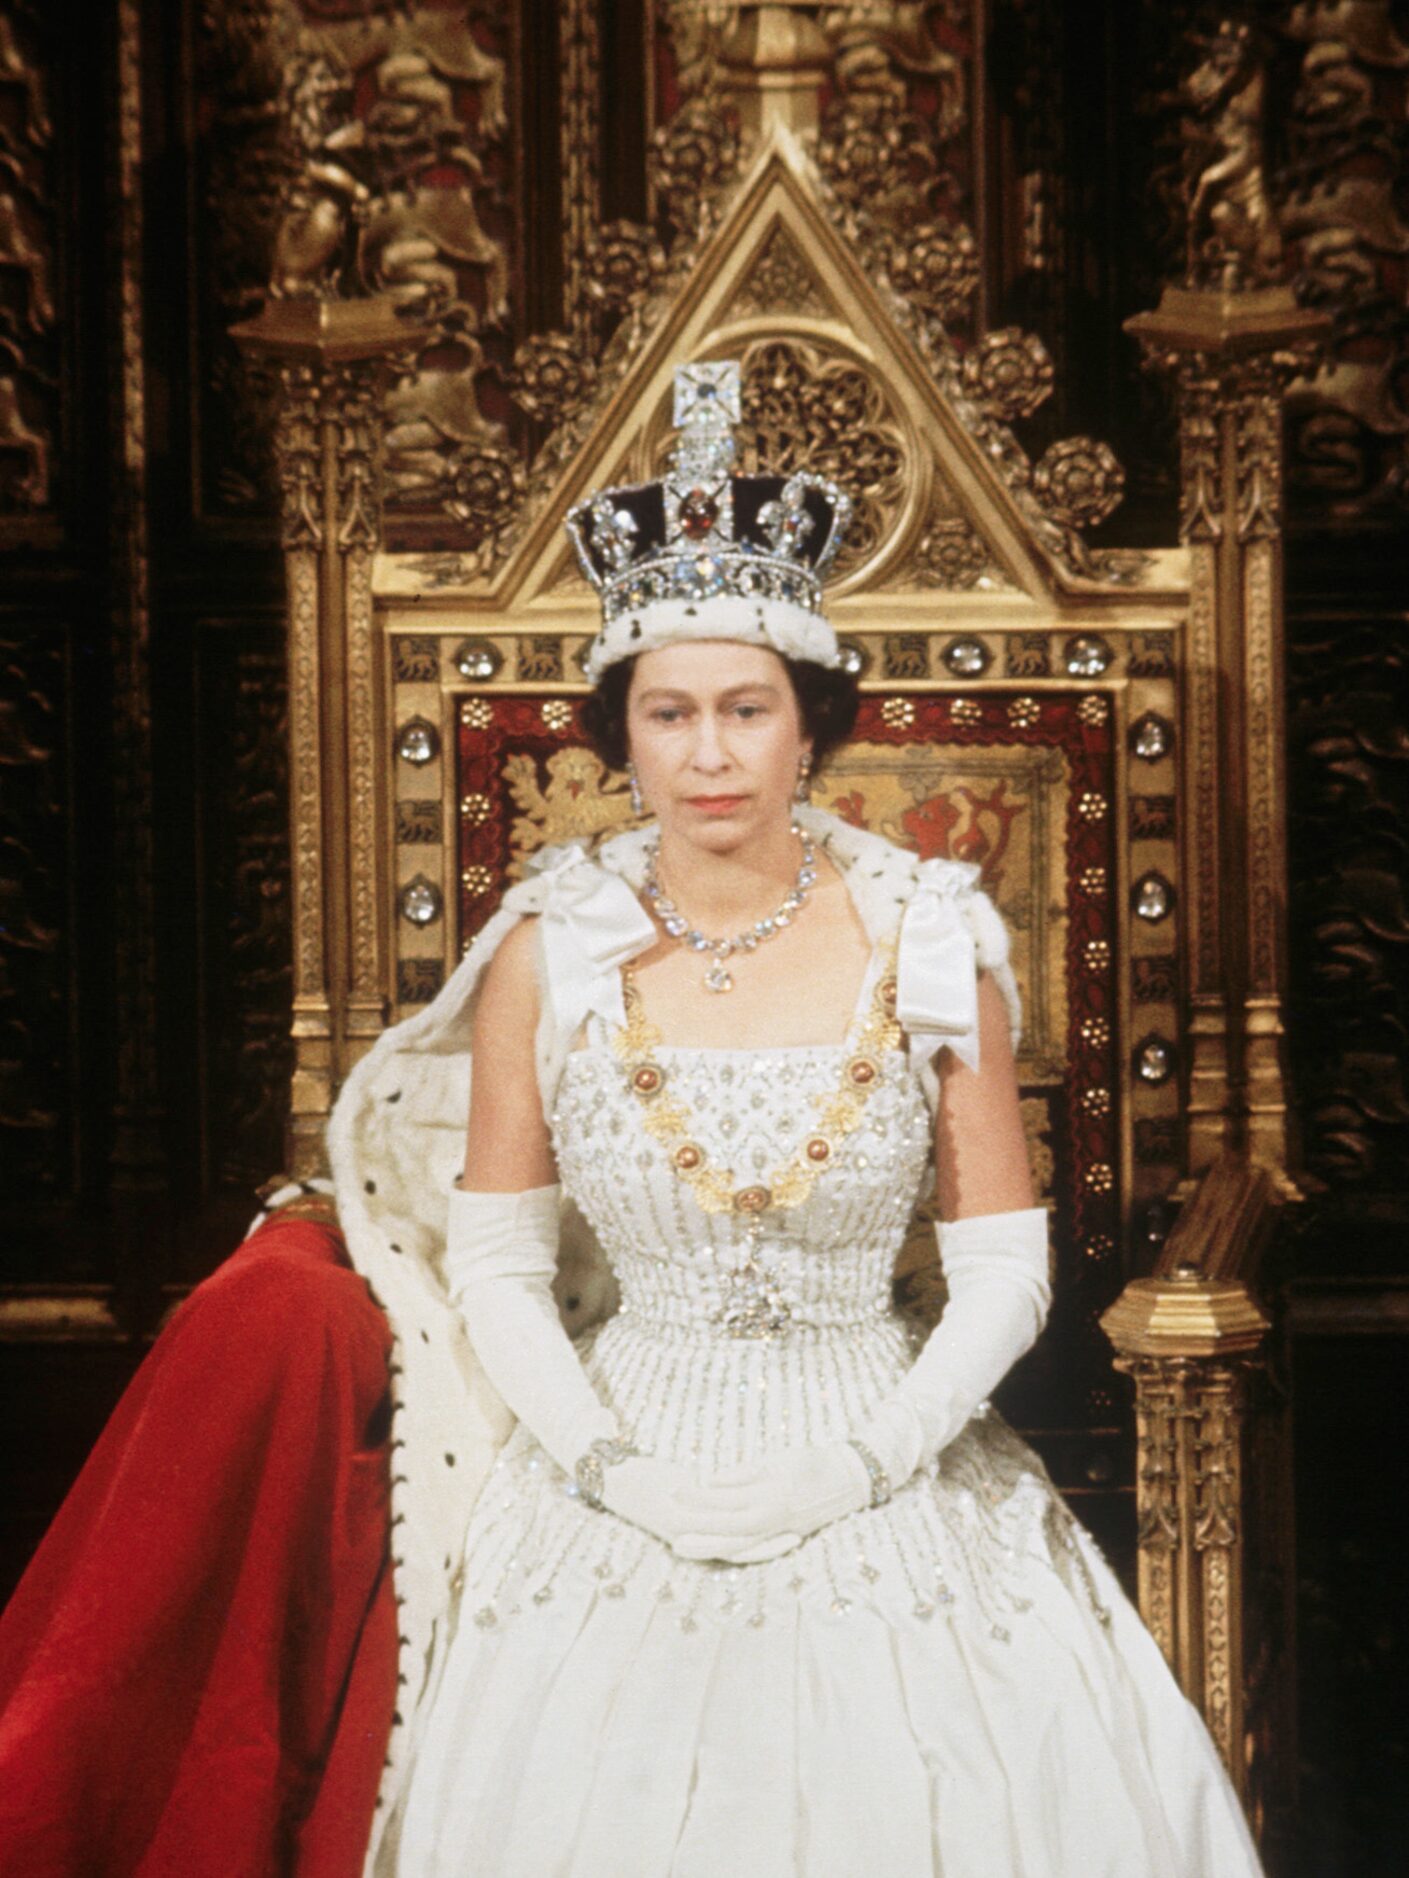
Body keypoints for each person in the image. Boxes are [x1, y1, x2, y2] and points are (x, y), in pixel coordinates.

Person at [327, 360, 1266, 1873]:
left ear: (808, 724)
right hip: (621, 1446)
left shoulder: (930, 935)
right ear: (617, 734)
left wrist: (862, 1462)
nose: (708, 752)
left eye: (745, 709)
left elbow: (1005, 1271)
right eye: (671, 711)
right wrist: (603, 1463)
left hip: (880, 1438)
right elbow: (499, 1268)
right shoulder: (542, 948)